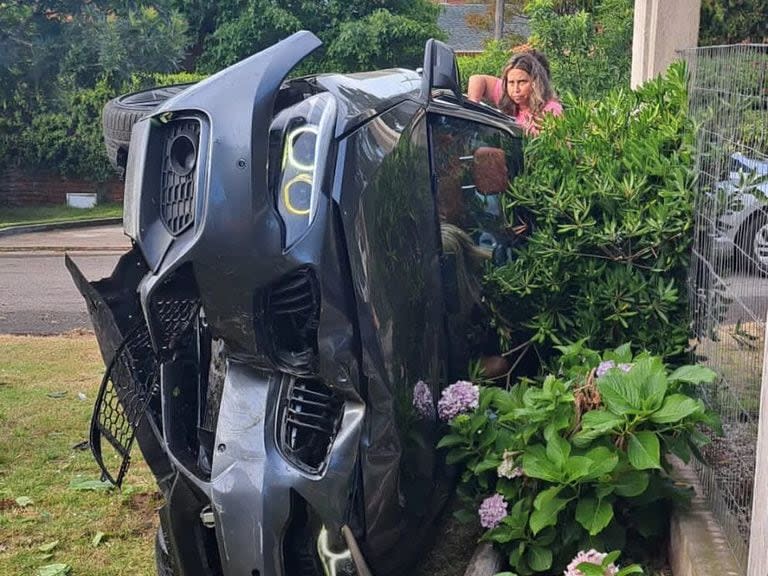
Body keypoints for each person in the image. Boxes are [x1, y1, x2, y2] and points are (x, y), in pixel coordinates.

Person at [467, 51, 562, 135]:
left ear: (535, 83)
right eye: (511, 82)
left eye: (522, 82)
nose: (516, 89)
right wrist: (473, 107)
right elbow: (477, 79)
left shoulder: (550, 110)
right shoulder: (510, 93)